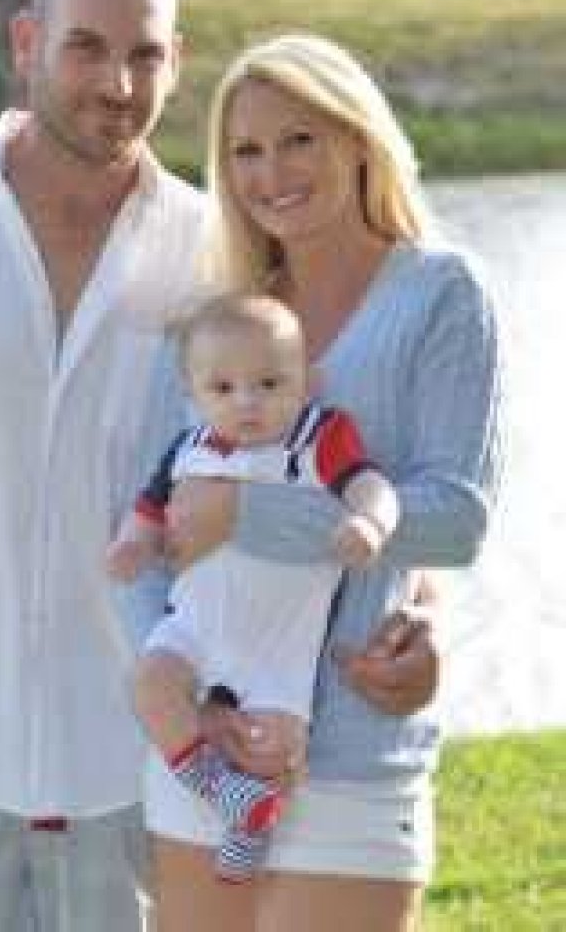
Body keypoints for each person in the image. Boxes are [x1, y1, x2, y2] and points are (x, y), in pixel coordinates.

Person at [0, 0, 443, 929]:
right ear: (26, 42)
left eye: (145, 54)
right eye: (86, 47)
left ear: (177, 62)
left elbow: (338, 448)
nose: (117, 83)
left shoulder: (221, 254)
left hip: (150, 766)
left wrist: (417, 611)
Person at [143, 34, 504, 932]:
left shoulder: (442, 293)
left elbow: (455, 519)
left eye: (299, 138)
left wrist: (249, 513)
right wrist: (184, 703)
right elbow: (153, 530)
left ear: (357, 135)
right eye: (246, 150)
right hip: (205, 759)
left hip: (350, 755)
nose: (272, 173)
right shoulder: (214, 323)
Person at [109, 292, 400, 881]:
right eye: (223, 388)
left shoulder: (319, 438)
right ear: (194, 394)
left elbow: (375, 487)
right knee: (150, 684)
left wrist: (369, 522)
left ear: (306, 381)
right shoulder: (188, 448)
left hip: (279, 643)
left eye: (269, 383)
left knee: (273, 746)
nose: (247, 402)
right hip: (194, 627)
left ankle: (251, 820)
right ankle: (221, 790)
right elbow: (149, 509)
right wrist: (133, 544)